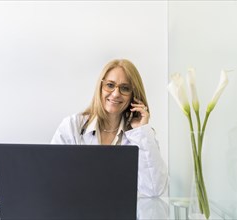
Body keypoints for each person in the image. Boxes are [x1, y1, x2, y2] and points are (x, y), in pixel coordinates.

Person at [51, 59, 168, 197]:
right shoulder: (72, 126)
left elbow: (154, 190)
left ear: (133, 96)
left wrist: (141, 132)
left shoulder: (140, 135)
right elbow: (53, 179)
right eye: (110, 85)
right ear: (100, 87)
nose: (116, 93)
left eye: (125, 88)